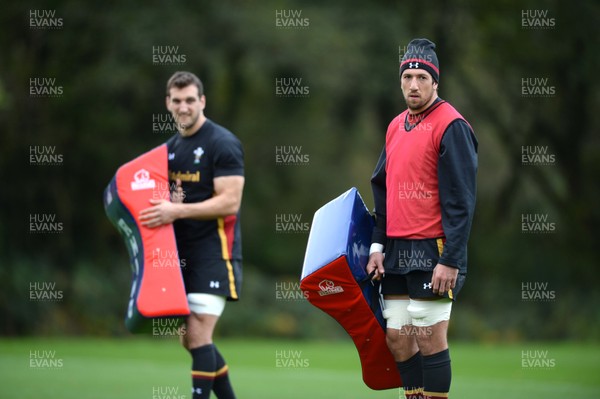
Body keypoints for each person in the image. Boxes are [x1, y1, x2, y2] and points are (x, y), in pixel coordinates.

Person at [366, 38, 478, 399]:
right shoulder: (396, 125)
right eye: (408, 77)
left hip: (434, 251)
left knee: (429, 338)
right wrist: (377, 245)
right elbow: (382, 191)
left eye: (422, 78)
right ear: (400, 80)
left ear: (435, 82)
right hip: (396, 251)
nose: (414, 85)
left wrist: (451, 260)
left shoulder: (452, 125)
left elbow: (462, 202)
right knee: (398, 339)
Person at [139, 71, 244, 399]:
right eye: (176, 100)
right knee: (191, 339)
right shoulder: (167, 151)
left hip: (215, 252)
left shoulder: (221, 142)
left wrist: (176, 210)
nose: (183, 107)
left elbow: (230, 202)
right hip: (178, 257)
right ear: (168, 103)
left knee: (198, 333)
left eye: (189, 100)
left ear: (202, 101)